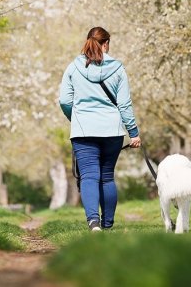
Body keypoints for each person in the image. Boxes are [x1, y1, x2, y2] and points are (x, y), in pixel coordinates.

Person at [59, 26, 141, 231]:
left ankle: (93, 222)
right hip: (111, 131)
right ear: (106, 44)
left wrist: (75, 119)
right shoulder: (118, 69)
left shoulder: (73, 67)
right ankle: (107, 223)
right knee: (106, 176)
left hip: (83, 131)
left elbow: (64, 100)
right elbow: (124, 104)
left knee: (89, 176)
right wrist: (133, 133)